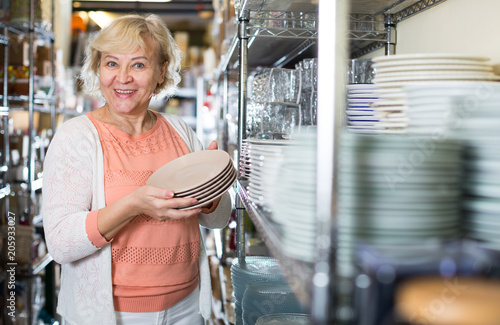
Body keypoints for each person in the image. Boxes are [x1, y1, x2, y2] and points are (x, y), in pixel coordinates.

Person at [42, 14, 231, 325]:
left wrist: (208, 192)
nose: (123, 77)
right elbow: (61, 243)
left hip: (186, 307)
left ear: (161, 71)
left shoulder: (180, 130)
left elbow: (218, 218)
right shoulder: (76, 138)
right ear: (97, 68)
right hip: (113, 314)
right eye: (112, 63)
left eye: (139, 65)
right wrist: (133, 205)